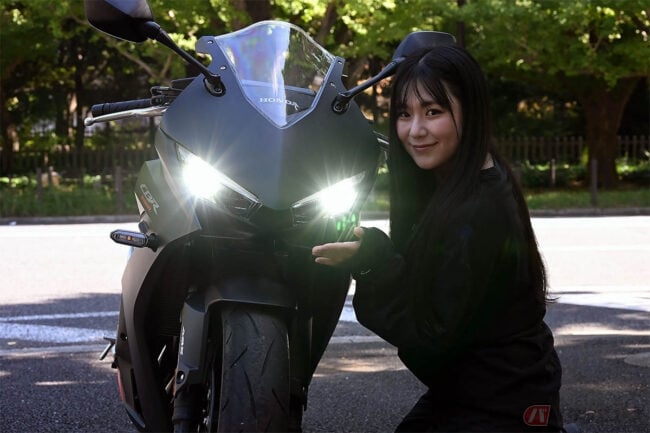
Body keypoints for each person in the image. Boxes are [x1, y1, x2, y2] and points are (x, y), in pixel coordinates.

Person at [312, 44, 564, 432]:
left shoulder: (478, 209)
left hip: (506, 400)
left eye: (433, 112)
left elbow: (430, 333)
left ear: (471, 112)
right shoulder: (463, 178)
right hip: (477, 387)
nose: (415, 130)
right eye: (404, 114)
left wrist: (373, 262)